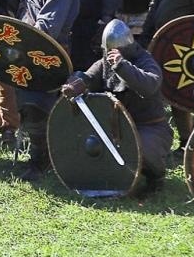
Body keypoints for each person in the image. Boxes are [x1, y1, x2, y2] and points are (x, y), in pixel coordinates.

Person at [60, 18, 173, 194]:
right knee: (91, 143)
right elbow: (88, 77)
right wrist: (76, 84)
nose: (112, 55)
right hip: (114, 128)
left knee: (143, 150)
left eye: (117, 51)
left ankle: (155, 177)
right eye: (109, 51)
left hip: (149, 127)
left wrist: (122, 66)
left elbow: (150, 85)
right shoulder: (103, 64)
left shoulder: (144, 60)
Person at [12, 0, 82, 181]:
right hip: (29, 49)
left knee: (40, 107)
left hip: (48, 51)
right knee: (29, 106)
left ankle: (41, 162)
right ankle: (39, 158)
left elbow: (47, 26)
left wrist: (25, 37)